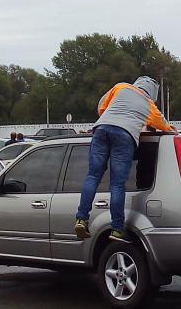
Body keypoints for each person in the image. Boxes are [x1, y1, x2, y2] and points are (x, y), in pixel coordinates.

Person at [74, 76, 175, 241]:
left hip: (101, 129)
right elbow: (163, 126)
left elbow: (102, 106)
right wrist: (171, 130)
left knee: (93, 176)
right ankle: (117, 229)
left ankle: (81, 218)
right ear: (152, 93)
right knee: (117, 184)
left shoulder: (121, 87)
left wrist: (109, 118)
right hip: (125, 135)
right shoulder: (149, 105)